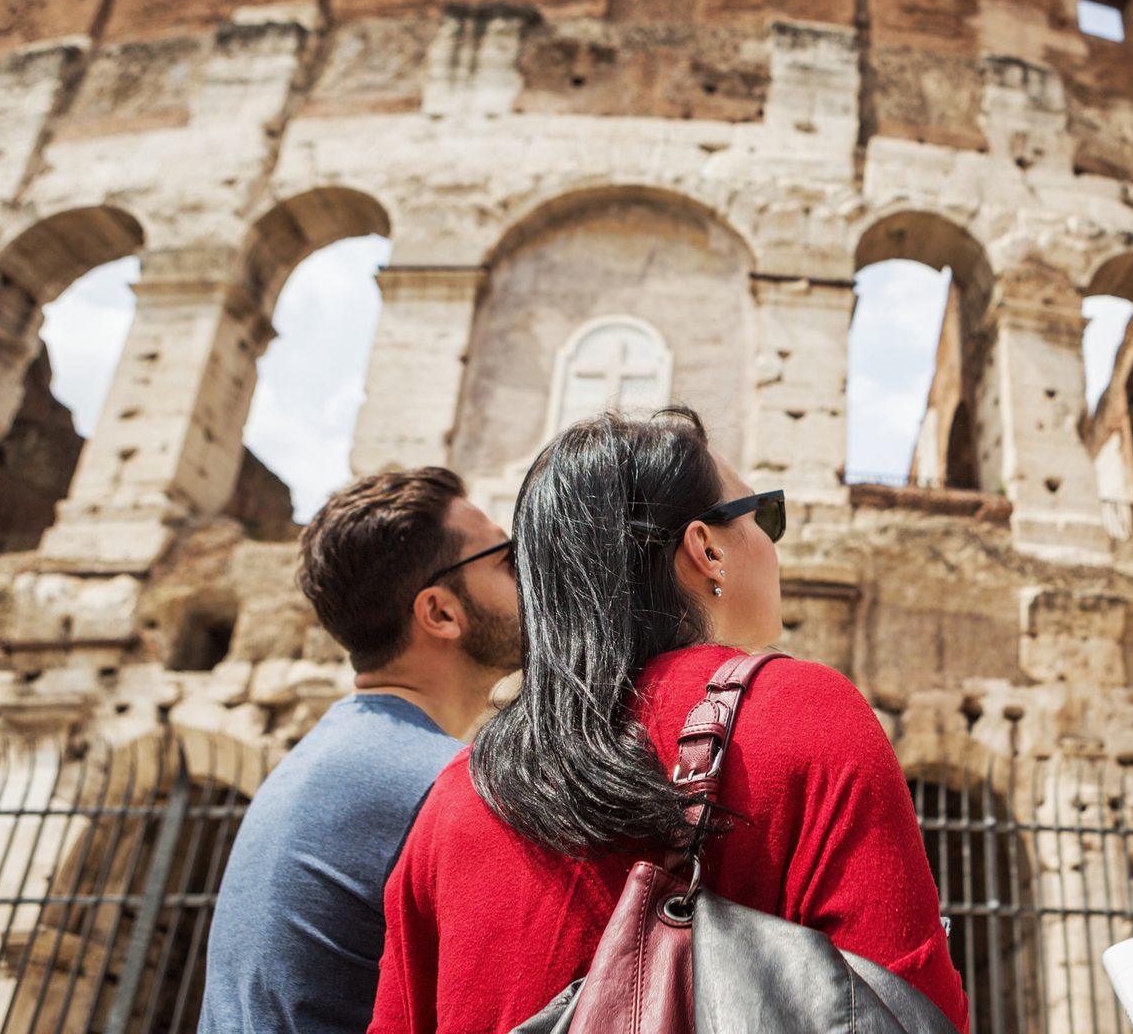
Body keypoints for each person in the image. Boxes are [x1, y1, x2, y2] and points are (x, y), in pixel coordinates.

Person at [369, 409, 970, 1033]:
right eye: (764, 516)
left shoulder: (457, 793)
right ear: (706, 549)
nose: (772, 542)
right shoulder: (806, 713)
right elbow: (912, 1009)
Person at [200, 468, 522, 1034]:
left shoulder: (319, 760)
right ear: (441, 613)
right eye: (507, 560)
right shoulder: (443, 786)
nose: (530, 578)